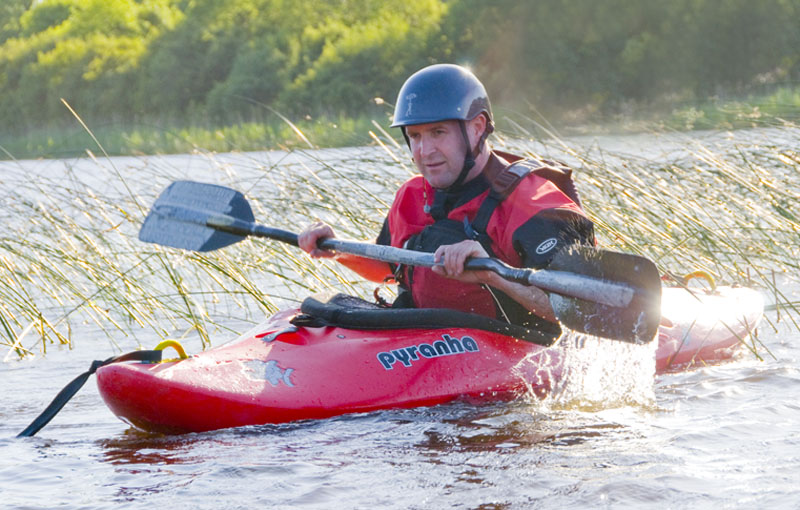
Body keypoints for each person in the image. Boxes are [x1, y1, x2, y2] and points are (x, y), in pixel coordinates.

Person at [298, 63, 595, 330]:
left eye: (438, 132)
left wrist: (491, 272)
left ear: (477, 128)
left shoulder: (537, 207)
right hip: (427, 345)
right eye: (415, 136)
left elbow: (579, 311)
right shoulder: (412, 194)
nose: (425, 152)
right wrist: (337, 249)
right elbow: (391, 266)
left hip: (517, 356)